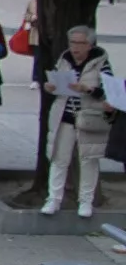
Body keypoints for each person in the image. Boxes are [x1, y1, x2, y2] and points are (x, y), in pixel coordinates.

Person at [42, 25, 115, 217]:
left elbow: (110, 91)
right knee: (59, 158)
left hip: (89, 117)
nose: (75, 48)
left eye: (80, 43)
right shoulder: (64, 59)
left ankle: (86, 202)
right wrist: (50, 86)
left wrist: (87, 89)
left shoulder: (101, 62)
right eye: (72, 43)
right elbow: (58, 82)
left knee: (88, 160)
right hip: (64, 115)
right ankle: (53, 199)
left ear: (89, 45)